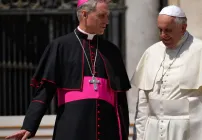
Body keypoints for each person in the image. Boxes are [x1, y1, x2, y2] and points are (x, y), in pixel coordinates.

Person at [5, 0, 131, 140]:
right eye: (102, 15)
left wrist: (123, 136)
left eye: (108, 15)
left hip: (108, 132)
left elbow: (120, 101)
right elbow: (44, 92)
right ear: (84, 14)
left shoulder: (112, 51)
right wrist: (29, 126)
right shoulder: (60, 46)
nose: (107, 21)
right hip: (72, 129)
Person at [131, 5, 202, 140]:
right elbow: (143, 102)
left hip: (193, 132)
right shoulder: (151, 53)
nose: (163, 35)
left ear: (183, 28)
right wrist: (140, 135)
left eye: (168, 30)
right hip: (154, 132)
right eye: (160, 30)